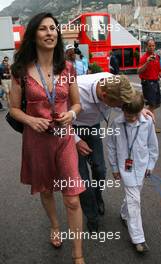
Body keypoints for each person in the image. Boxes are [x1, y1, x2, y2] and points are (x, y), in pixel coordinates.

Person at [10, 12, 85, 264]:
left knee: (72, 198)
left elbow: (77, 105)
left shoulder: (68, 67)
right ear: (34, 34)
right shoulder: (20, 70)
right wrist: (31, 120)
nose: (50, 32)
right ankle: (55, 225)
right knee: (46, 189)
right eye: (43, 29)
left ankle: (78, 255)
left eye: (53, 28)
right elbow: (13, 108)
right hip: (37, 139)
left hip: (64, 139)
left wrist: (71, 115)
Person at [74, 73, 145, 233]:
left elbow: (130, 100)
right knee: (83, 179)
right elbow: (58, 118)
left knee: (100, 169)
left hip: (93, 127)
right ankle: (92, 216)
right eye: (119, 105)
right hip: (72, 128)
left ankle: (97, 197)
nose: (122, 108)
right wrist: (76, 140)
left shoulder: (113, 81)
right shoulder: (76, 88)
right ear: (104, 96)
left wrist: (141, 110)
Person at [107, 91, 159, 253]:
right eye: (128, 115)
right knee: (135, 201)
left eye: (134, 115)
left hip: (142, 167)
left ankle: (124, 213)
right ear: (122, 109)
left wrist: (150, 164)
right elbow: (111, 146)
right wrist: (114, 168)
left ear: (141, 110)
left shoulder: (148, 122)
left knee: (133, 197)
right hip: (125, 168)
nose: (131, 119)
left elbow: (152, 145)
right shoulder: (116, 124)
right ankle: (138, 239)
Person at [138, 39, 161, 133]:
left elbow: (159, 70)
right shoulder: (144, 58)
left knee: (156, 104)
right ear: (146, 46)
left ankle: (139, 112)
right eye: (149, 46)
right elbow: (138, 71)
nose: (151, 47)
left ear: (155, 46)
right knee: (152, 105)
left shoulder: (156, 57)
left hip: (155, 83)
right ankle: (150, 126)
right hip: (147, 83)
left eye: (153, 45)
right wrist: (147, 62)